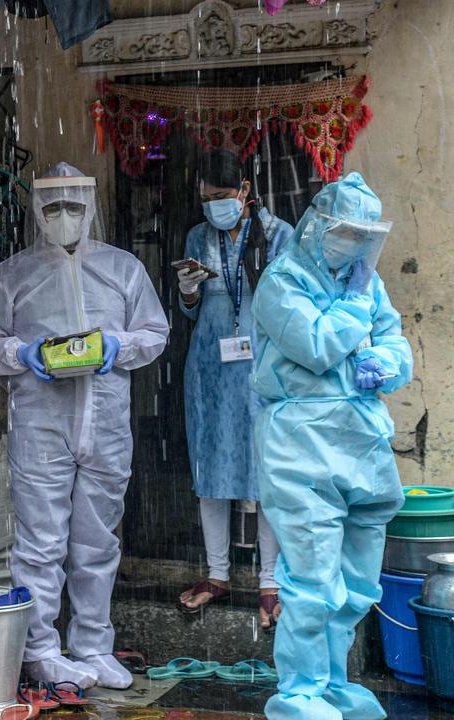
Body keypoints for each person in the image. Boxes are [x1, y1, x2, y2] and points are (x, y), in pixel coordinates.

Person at [0, 162, 168, 691]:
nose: (64, 217)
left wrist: (115, 346)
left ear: (90, 206)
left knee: (97, 541)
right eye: (53, 207)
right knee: (40, 543)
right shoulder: (12, 273)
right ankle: (39, 648)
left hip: (105, 425)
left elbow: (155, 332)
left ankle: (92, 645)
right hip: (40, 426)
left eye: (74, 206)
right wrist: (23, 352)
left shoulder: (123, 268)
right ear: (38, 210)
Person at [252, 173, 410, 720]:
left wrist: (387, 363)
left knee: (358, 581)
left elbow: (395, 343)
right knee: (312, 578)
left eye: (365, 233)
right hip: (300, 445)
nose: (354, 242)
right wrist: (355, 308)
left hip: (362, 441)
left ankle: (333, 682)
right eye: (346, 230)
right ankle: (298, 691)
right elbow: (317, 345)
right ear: (319, 225)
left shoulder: (367, 281)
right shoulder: (281, 280)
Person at [175, 150, 295, 630]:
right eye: (206, 200)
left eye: (222, 197)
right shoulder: (197, 237)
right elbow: (189, 311)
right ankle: (217, 574)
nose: (214, 207)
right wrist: (187, 291)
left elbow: (291, 305)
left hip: (262, 369)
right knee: (210, 469)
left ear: (244, 190)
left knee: (265, 473)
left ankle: (271, 582)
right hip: (209, 370)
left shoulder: (280, 235)